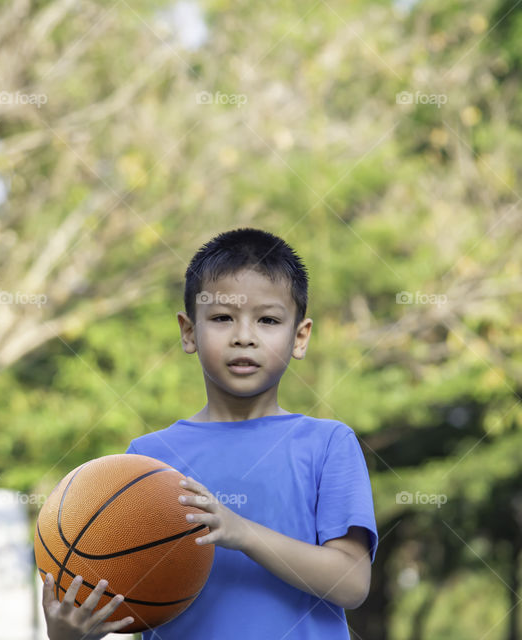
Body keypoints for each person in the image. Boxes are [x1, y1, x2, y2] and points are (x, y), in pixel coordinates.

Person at [42, 227, 379, 639]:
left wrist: (243, 532)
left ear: (300, 337)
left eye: (268, 320)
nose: (244, 336)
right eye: (222, 318)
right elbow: (123, 599)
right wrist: (69, 634)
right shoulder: (143, 461)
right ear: (189, 332)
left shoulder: (328, 444)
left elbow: (352, 582)